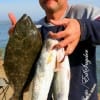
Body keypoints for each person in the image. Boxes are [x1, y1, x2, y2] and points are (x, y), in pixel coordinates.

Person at [8, 0, 100, 100]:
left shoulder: (85, 13)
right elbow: (25, 67)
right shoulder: (35, 31)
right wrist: (17, 44)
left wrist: (82, 27)